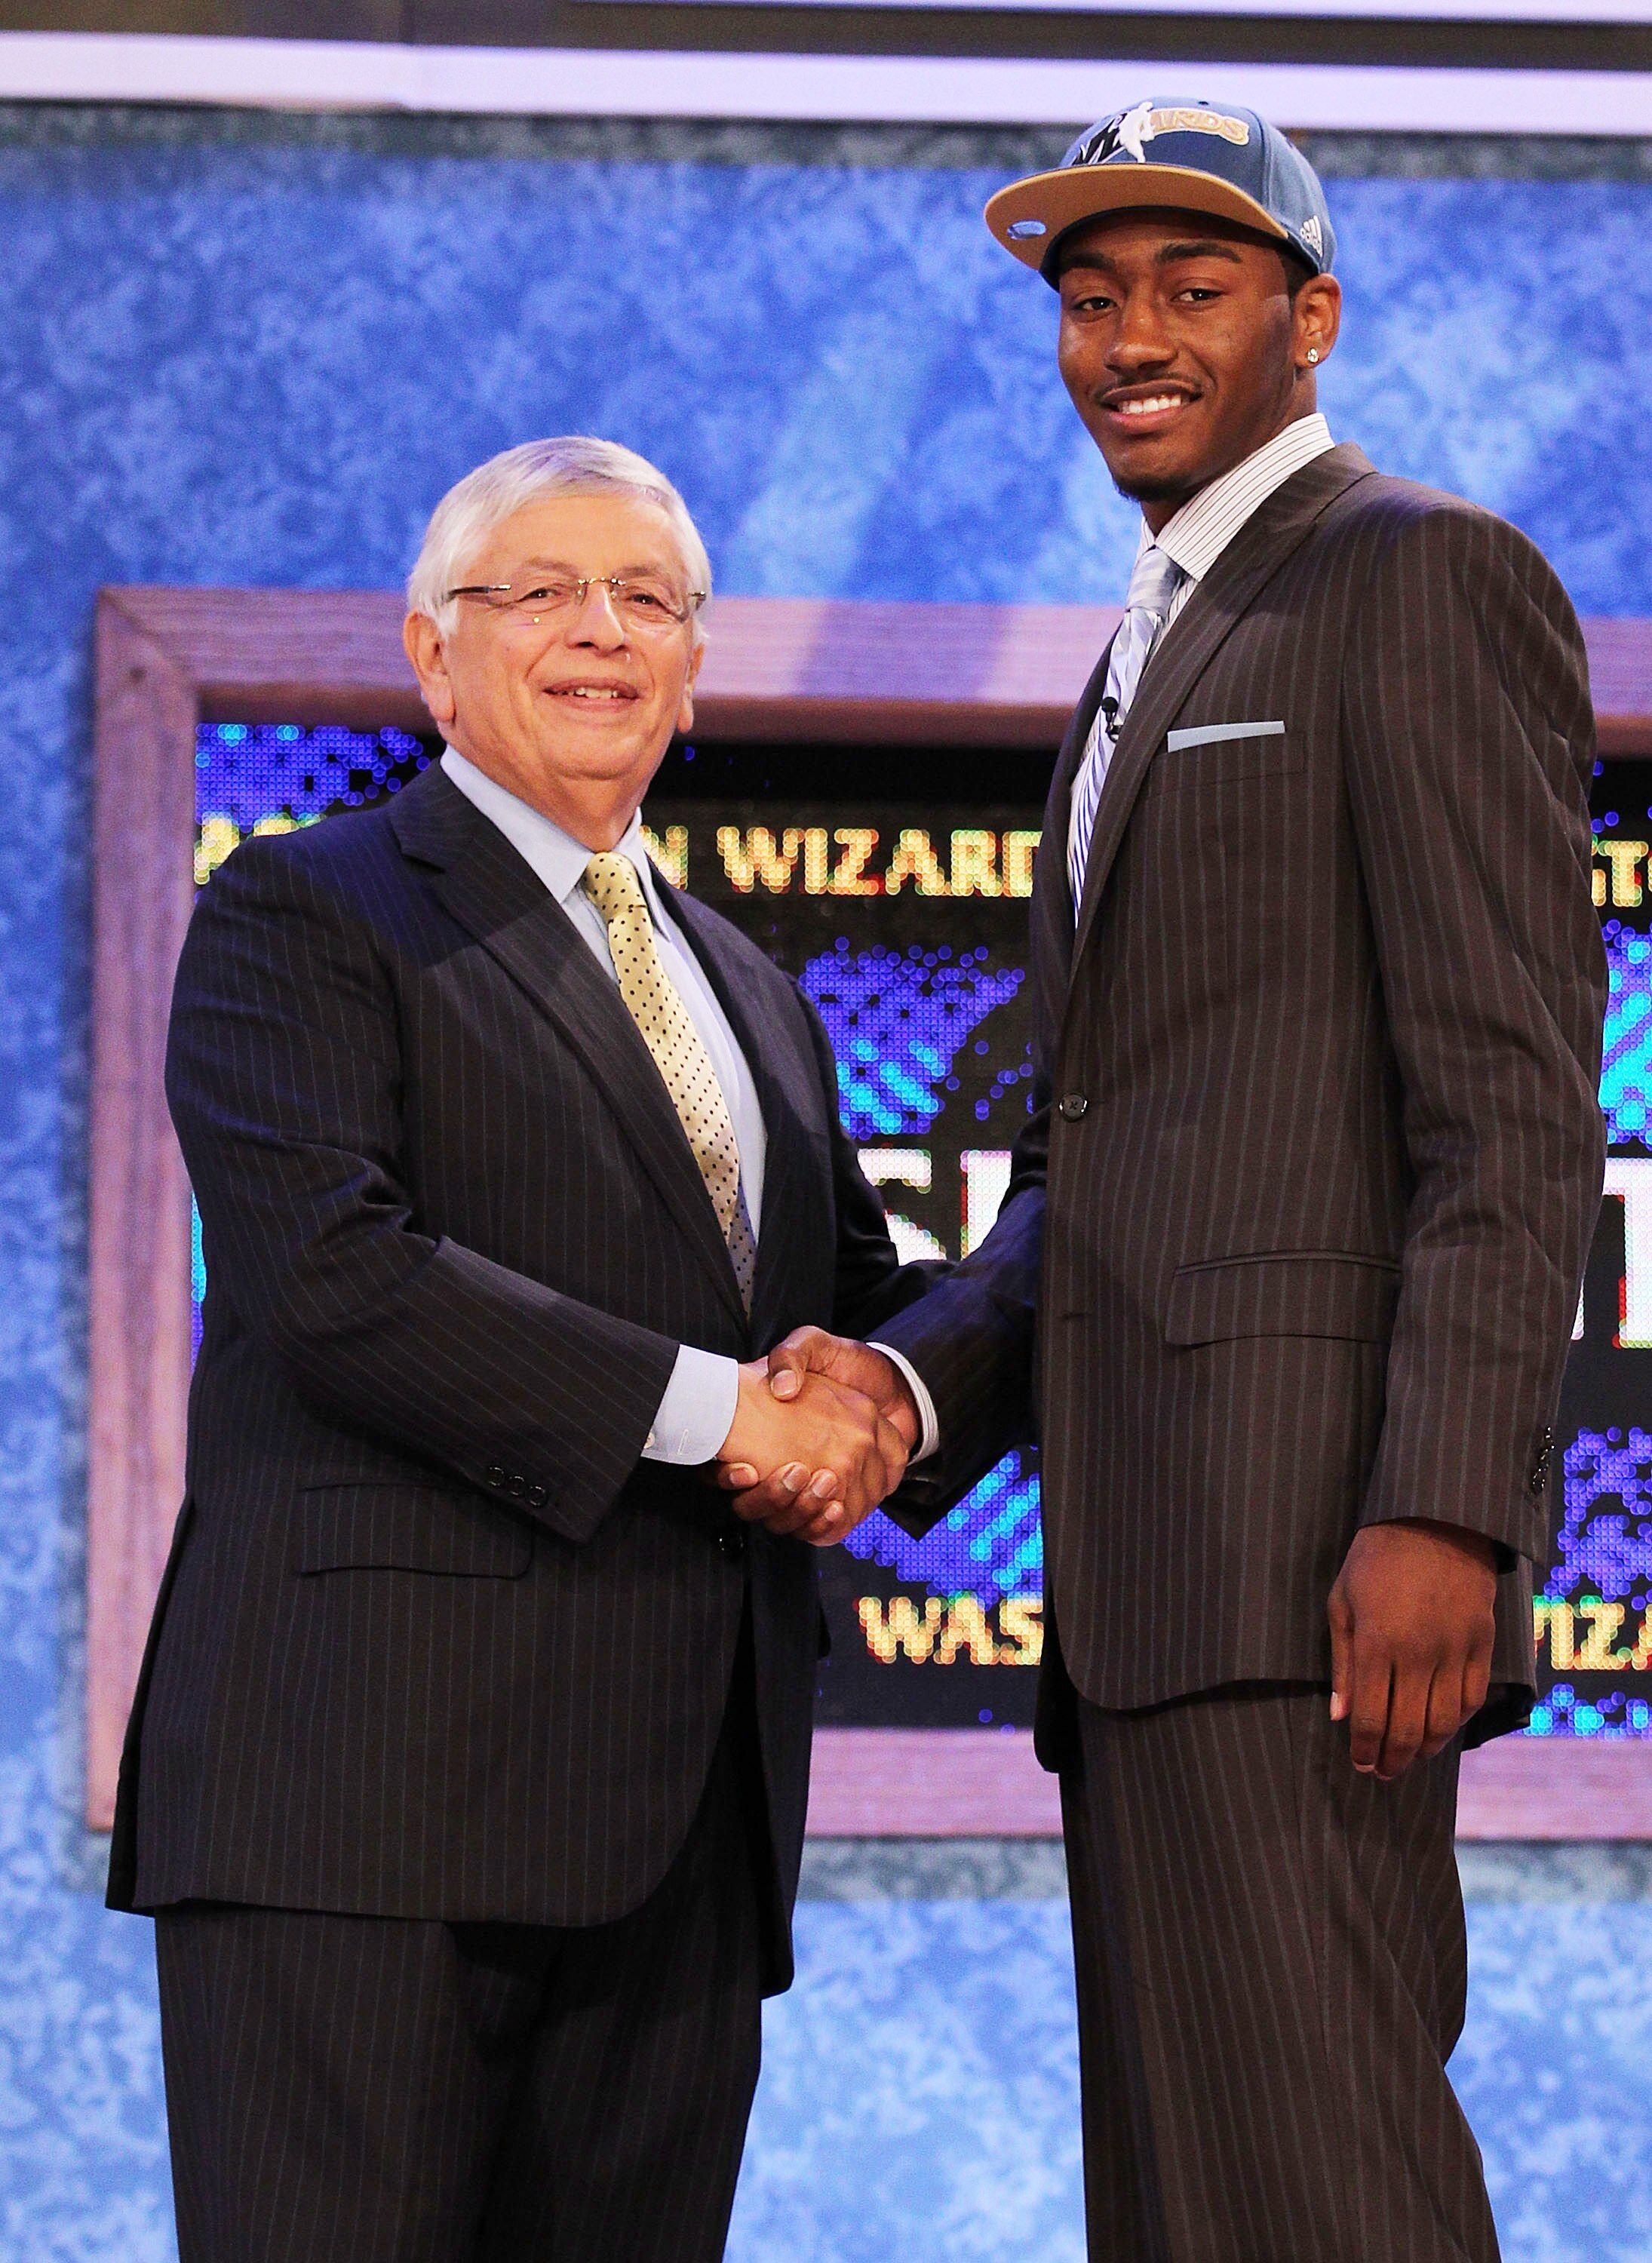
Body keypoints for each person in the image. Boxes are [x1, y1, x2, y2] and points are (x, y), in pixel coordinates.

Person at [731, 104, 1607, 2261]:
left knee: (1324, 2194)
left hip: (1313, 1578)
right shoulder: (1136, 656)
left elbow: (1505, 1104)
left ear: (1306, 321)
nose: (1132, 334)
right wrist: (915, 1389)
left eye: (1191, 288)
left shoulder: (1414, 573)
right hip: (1140, 1599)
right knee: (1196, 2211)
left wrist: (1446, 1509)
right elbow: (1094, 1168)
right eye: (1089, 294)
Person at [107, 436, 933, 2263]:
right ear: (433, 651)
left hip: (682, 1840)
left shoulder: (752, 988)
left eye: (649, 599)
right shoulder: (304, 912)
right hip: (363, 1818)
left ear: (694, 661)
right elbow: (338, 1275)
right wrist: (735, 1417)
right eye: (542, 590)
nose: (601, 630)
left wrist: (927, 1375)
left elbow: (851, 1322)